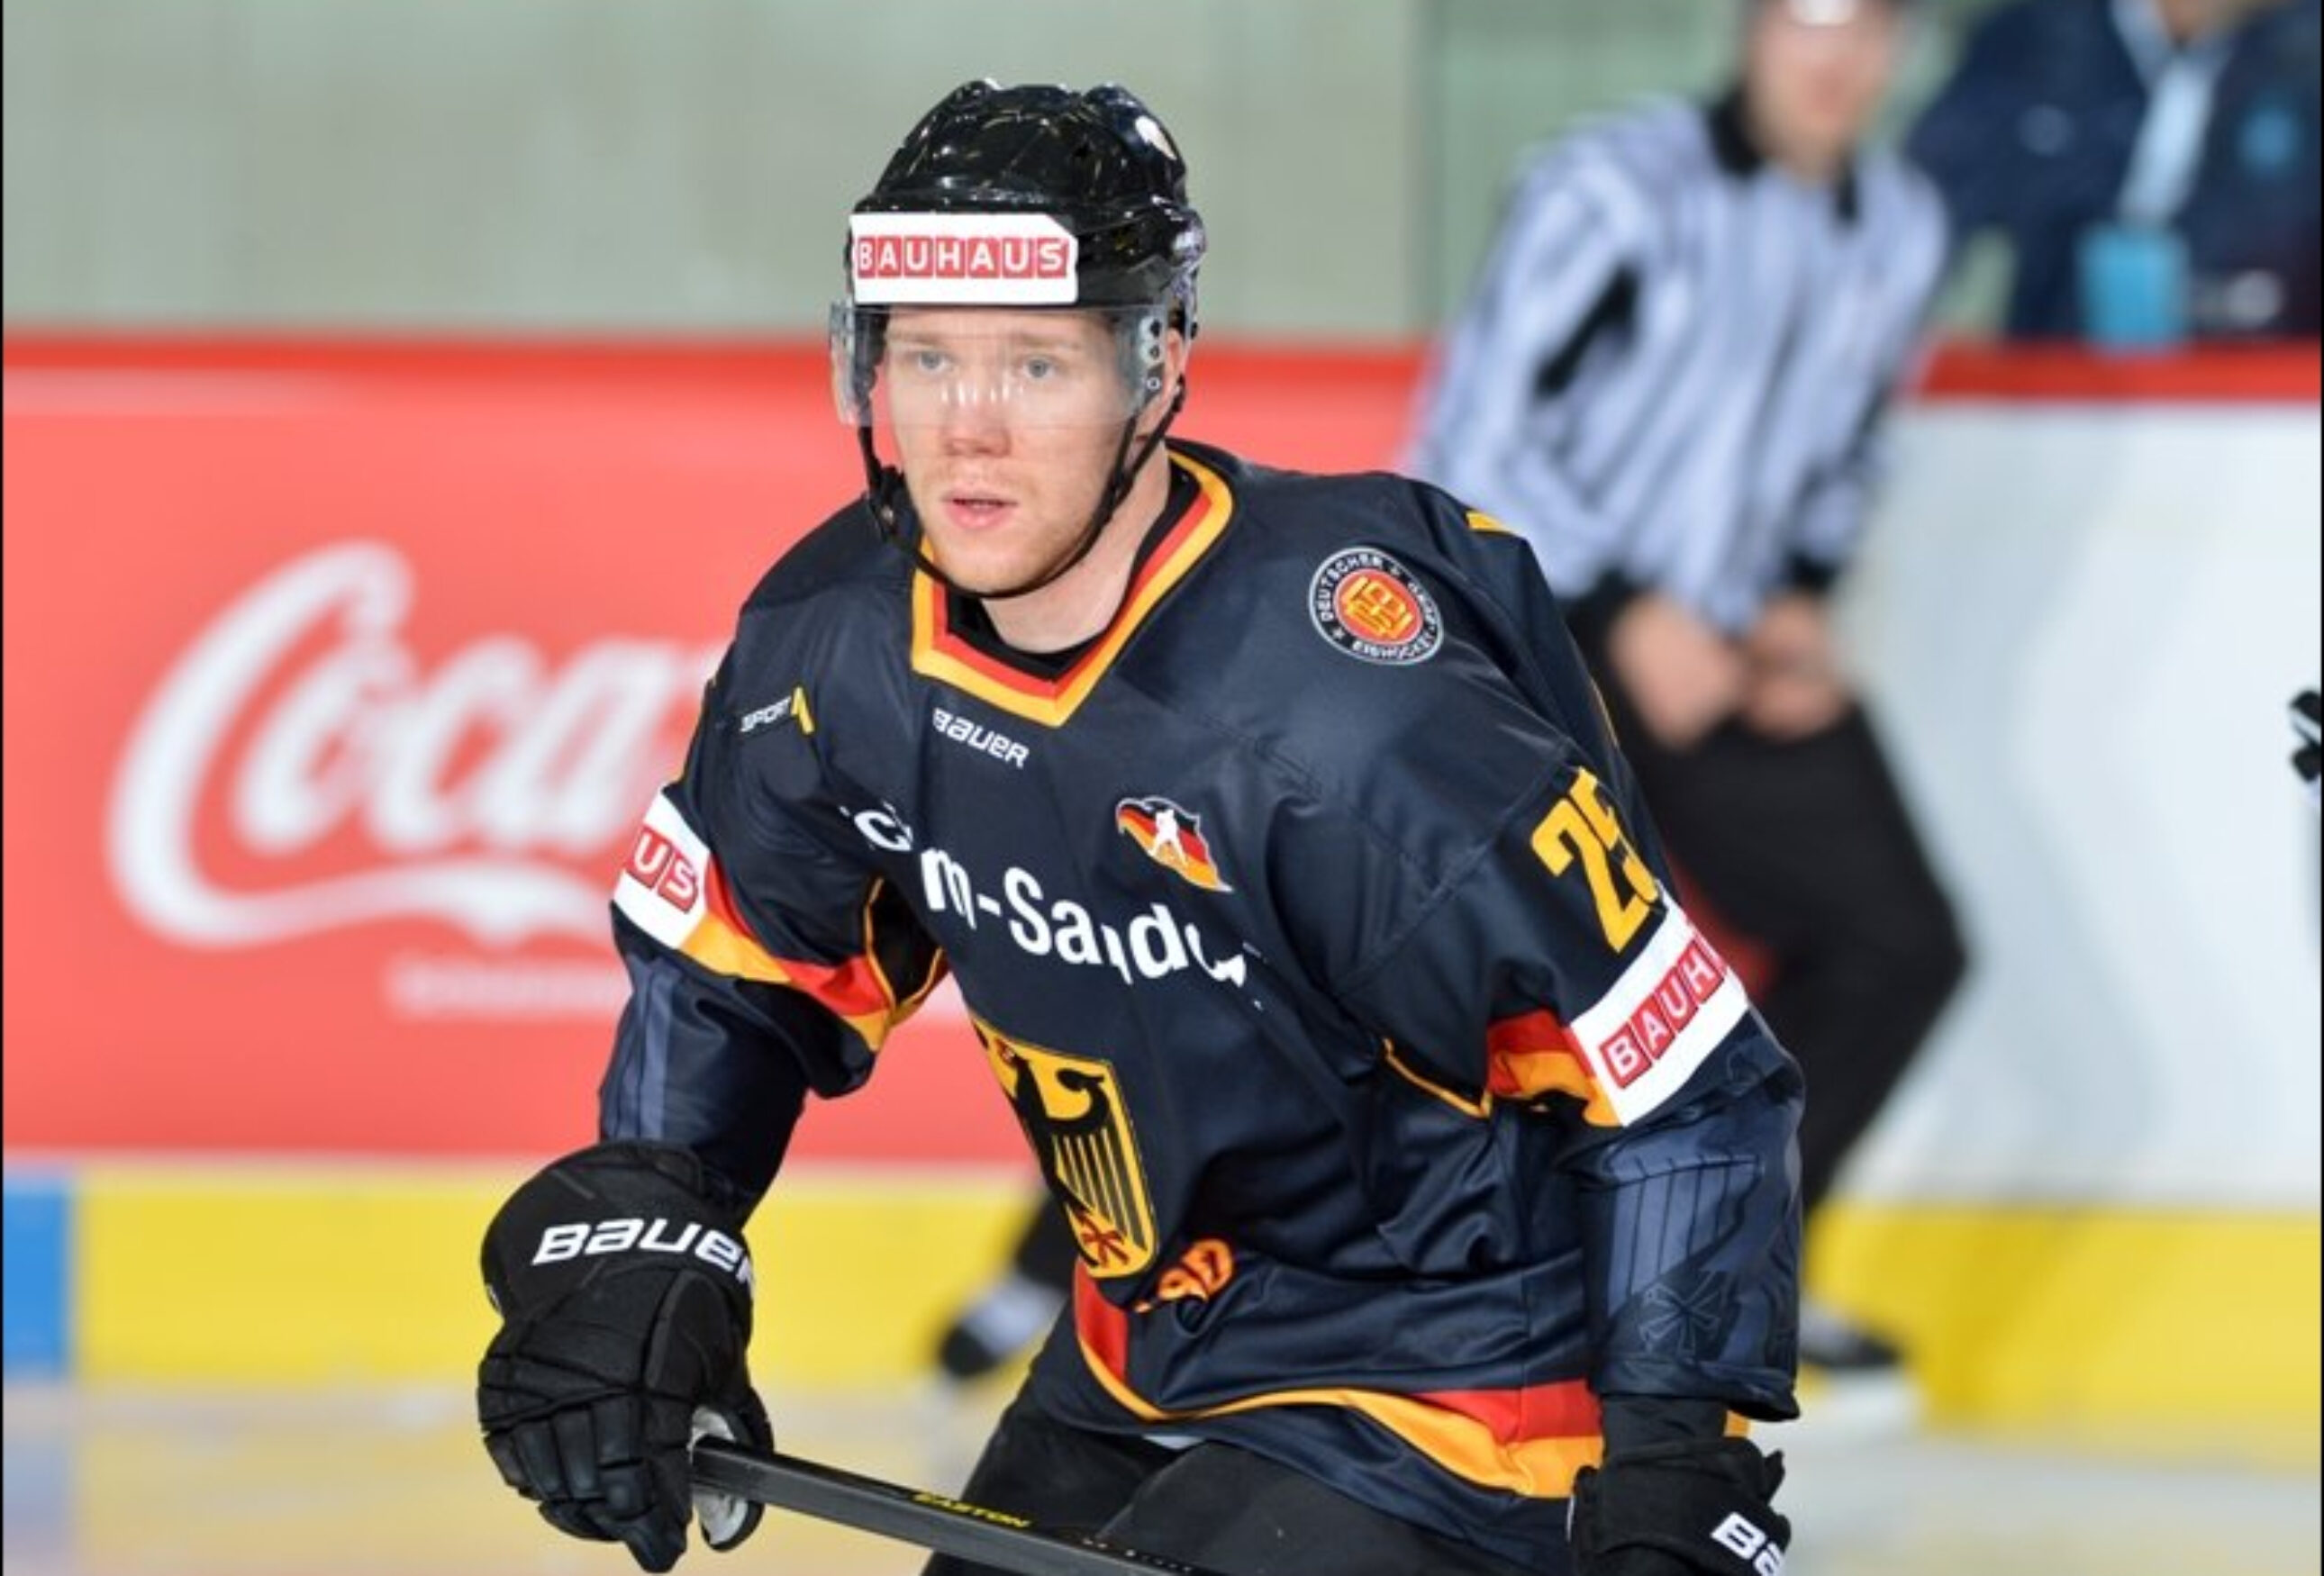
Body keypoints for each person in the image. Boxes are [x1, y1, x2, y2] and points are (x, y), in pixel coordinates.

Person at [474, 78, 1805, 1576]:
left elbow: (1686, 1086)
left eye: (1036, 363)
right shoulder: (836, 645)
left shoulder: (1351, 723)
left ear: (1155, 365)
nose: (968, 430)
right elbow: (738, 961)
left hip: (1461, 1393)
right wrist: (652, 1225)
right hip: (1139, 1356)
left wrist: (1675, 1462)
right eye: (926, 356)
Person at [1409, 0, 1966, 1383]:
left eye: (1870, 26)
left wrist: (1799, 596)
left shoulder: (1902, 225)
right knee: (1411, 966)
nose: (1836, 56)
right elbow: (1473, 431)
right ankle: (1088, 1269)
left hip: (1721, 656)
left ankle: (1726, 1276)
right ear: (1752, 28)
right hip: (1532, 644)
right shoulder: (1610, 187)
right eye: (1808, 19)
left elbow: (1849, 443)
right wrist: (1615, 608)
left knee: (1897, 943)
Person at [1907, 0, 2321, 341]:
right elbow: (1929, 208)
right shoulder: (2034, 41)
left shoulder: (2298, 57)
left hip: (2246, 387)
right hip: (2041, 375)